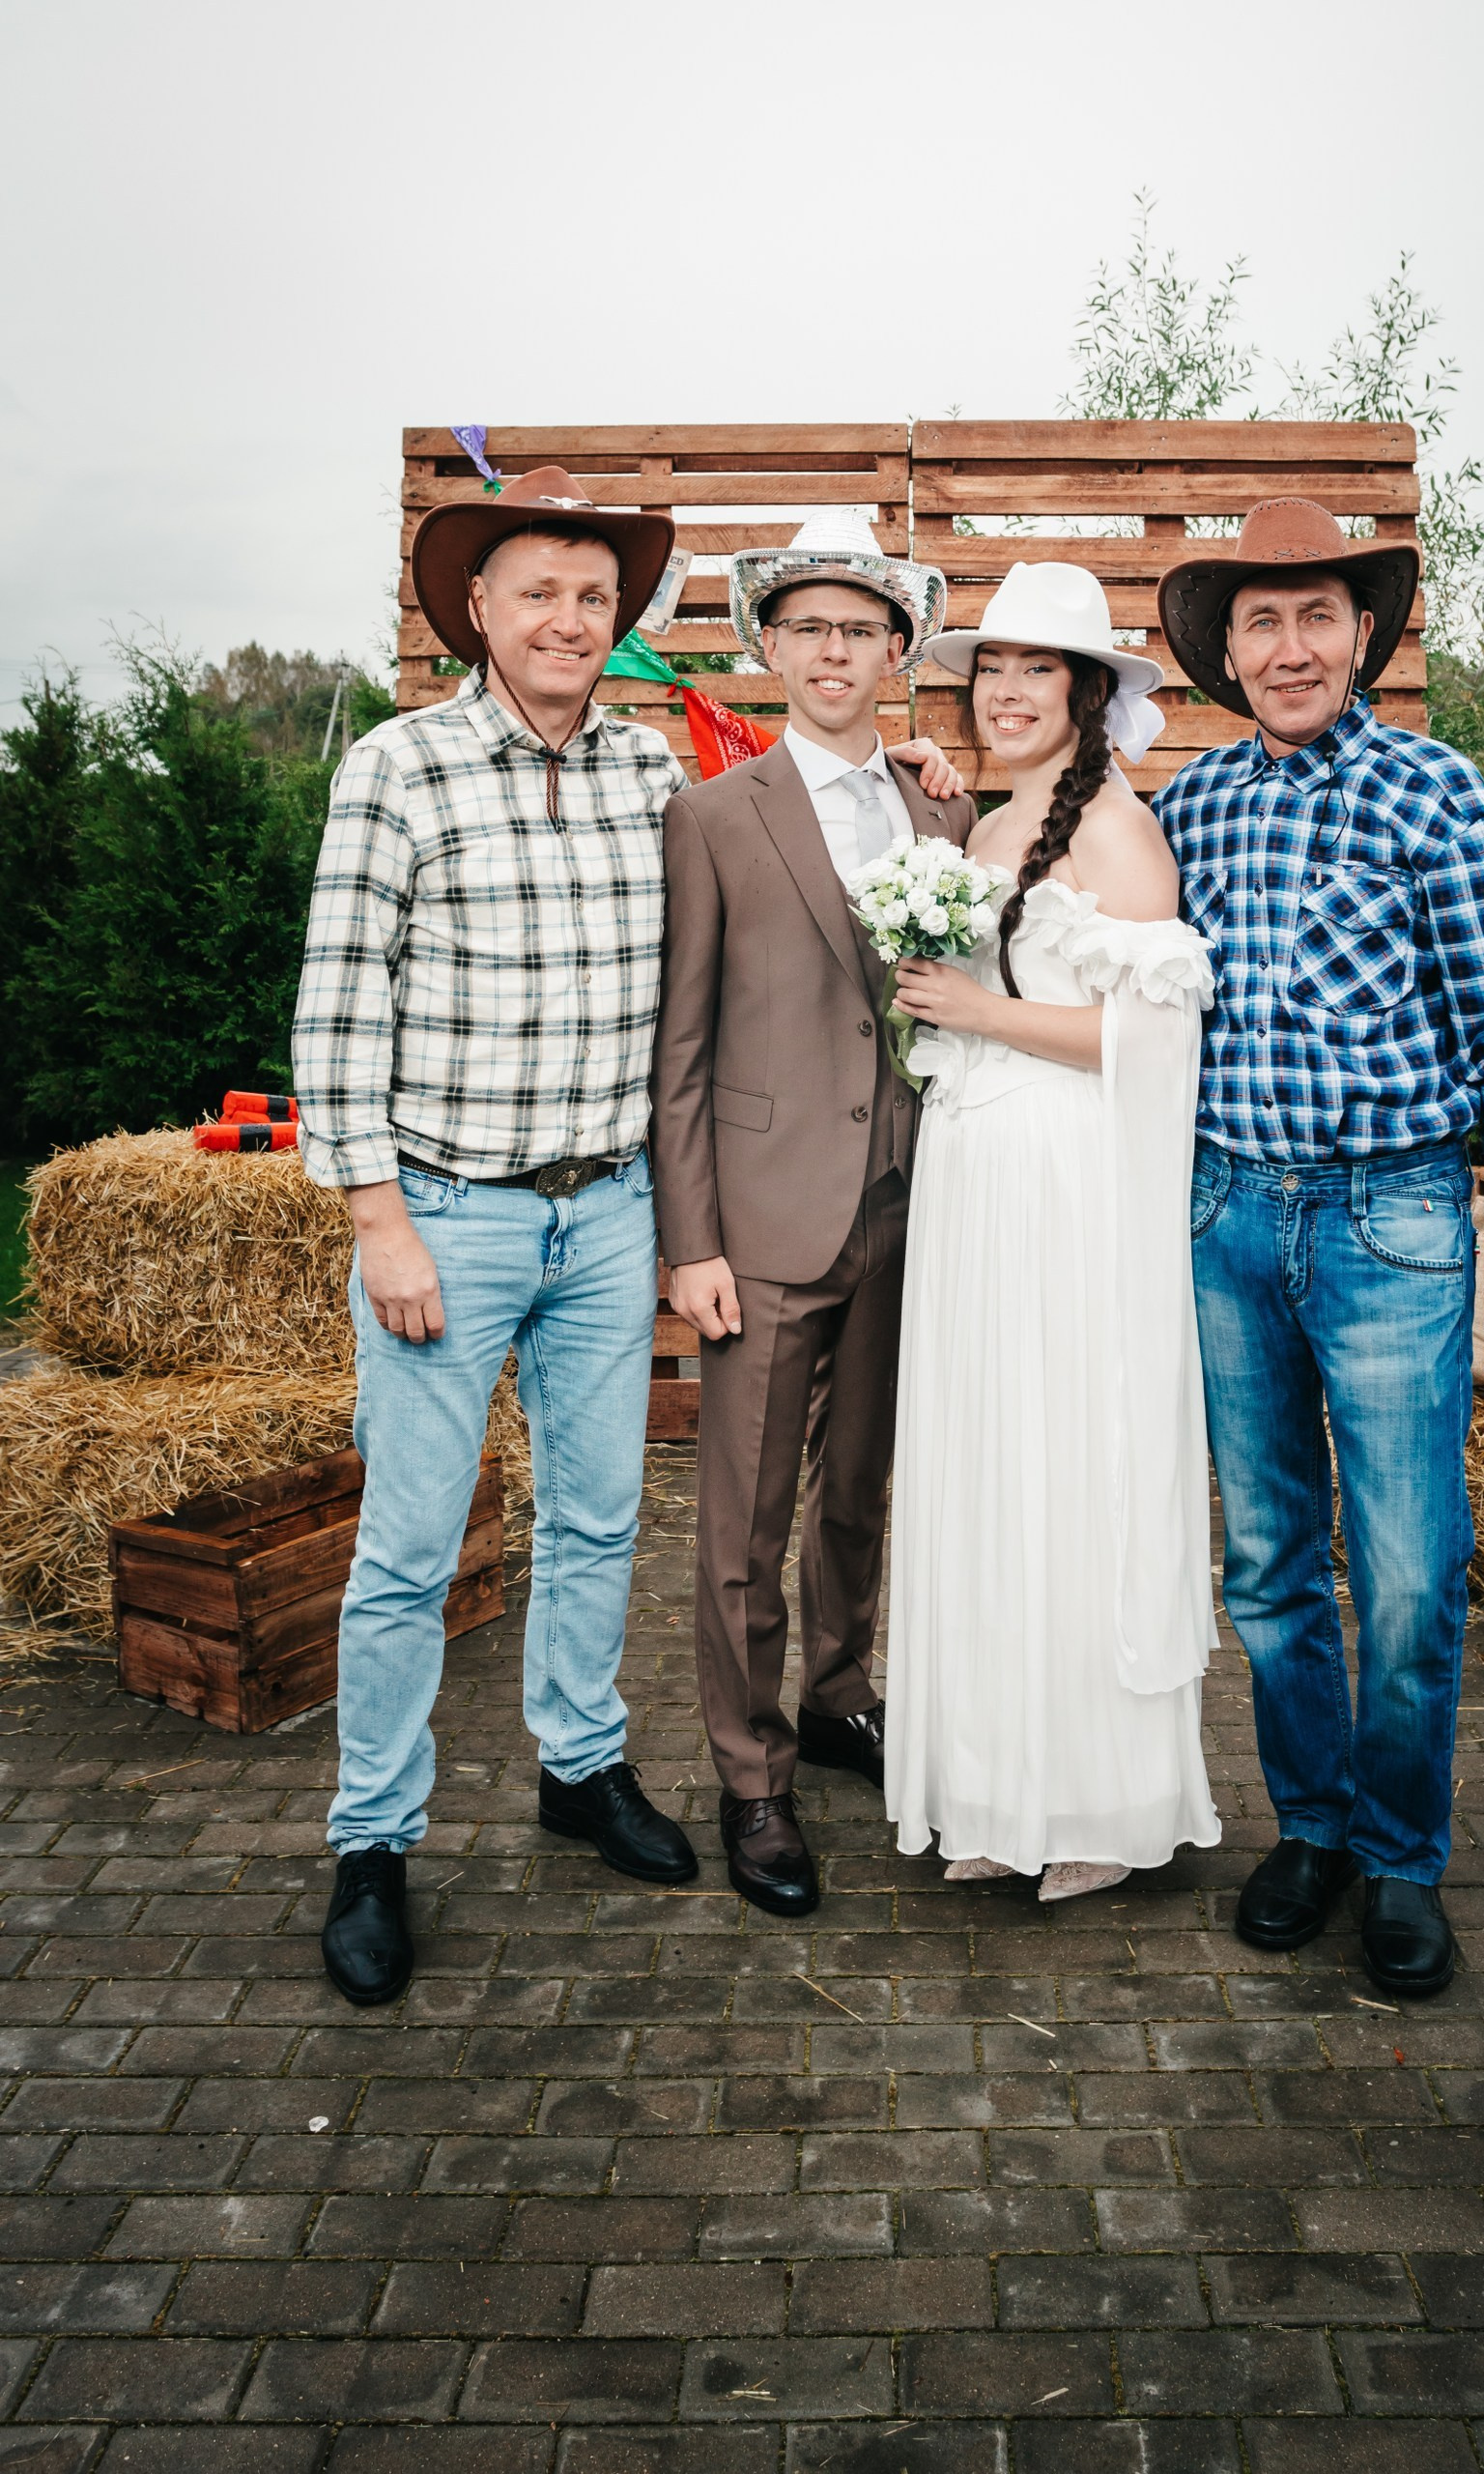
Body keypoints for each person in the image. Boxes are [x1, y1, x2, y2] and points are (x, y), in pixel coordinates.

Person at [293, 466, 704, 2004]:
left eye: (594, 596)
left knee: (598, 1521)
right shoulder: (398, 768)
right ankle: (372, 1844)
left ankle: (579, 1767)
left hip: (606, 1214)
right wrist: (378, 1221)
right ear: (478, 607)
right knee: (408, 1551)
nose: (569, 619)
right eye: (539, 592)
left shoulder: (650, 769)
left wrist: (911, 779)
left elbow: (772, 870)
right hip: (448, 1217)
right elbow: (339, 1008)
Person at [1154, 497, 1484, 1997]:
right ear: (1226, 653)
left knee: (1406, 1568)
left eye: (1315, 618)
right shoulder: (1188, 808)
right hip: (1222, 1216)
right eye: (1260, 622)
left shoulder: (1434, 793)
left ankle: (1401, 1857)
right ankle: (1313, 1827)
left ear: (1360, 638)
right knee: (1268, 1560)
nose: (1289, 648)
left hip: (1390, 1218)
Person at [651, 511, 975, 1917]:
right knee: (744, 1516)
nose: (835, 651)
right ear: (769, 649)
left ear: (895, 652)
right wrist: (692, 1242)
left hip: (910, 1207)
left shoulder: (940, 812)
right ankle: (751, 1774)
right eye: (809, 630)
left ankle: (840, 1697)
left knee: (858, 1489)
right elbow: (679, 1047)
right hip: (765, 1222)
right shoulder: (714, 816)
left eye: (860, 629)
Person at [885, 561, 1220, 1900]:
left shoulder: (1118, 833)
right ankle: (994, 1786)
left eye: (1038, 670)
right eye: (993, 671)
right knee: (987, 1469)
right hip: (976, 1180)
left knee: (1064, 1467)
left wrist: (978, 1014)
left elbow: (1154, 1035)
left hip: (1066, 1187)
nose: (1008, 692)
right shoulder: (981, 831)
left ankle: (1092, 1801)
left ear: (1085, 693)